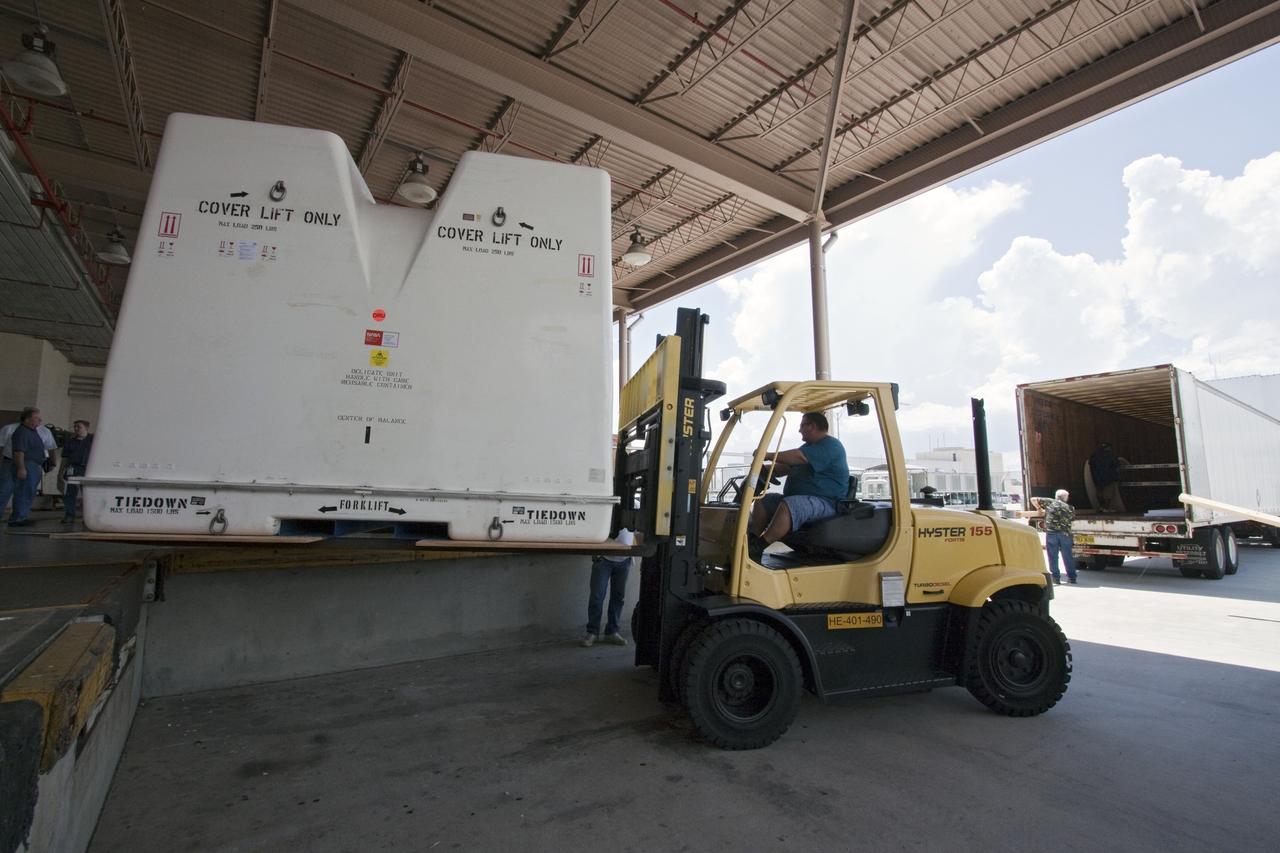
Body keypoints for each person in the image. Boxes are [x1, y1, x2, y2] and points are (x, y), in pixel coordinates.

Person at [748, 411, 849, 557]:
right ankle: (751, 539)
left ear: (812, 426)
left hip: (827, 503)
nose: (799, 429)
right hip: (806, 499)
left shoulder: (830, 445)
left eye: (802, 425)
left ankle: (759, 546)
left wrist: (767, 455)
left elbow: (799, 457)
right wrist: (764, 470)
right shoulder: (809, 448)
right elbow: (784, 468)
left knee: (791, 505)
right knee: (764, 500)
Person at [581, 527, 638, 647]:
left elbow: (638, 533)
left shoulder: (634, 510)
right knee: (597, 597)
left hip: (625, 559)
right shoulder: (610, 510)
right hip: (604, 559)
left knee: (618, 598)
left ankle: (612, 631)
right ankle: (592, 632)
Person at [1, 408, 51, 527]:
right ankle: (18, 518)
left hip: (33, 465)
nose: (40, 420)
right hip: (27, 464)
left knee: (27, 492)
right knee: (20, 491)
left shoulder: (33, 431)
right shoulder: (22, 432)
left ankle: (19, 517)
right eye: (36, 418)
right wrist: (21, 468)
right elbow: (19, 452)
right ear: (27, 419)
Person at [1032, 489, 1077, 584]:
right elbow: (1072, 518)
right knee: (1067, 556)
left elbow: (1033, 499)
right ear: (1066, 498)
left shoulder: (1050, 502)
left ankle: (1056, 578)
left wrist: (1039, 509)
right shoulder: (1070, 508)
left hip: (1052, 534)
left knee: (1052, 556)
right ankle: (1072, 577)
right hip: (1065, 534)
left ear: (1056, 496)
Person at [59, 419, 93, 524]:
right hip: (73, 468)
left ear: (86, 428)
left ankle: (87, 517)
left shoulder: (93, 440)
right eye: (75, 427)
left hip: (87, 468)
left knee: (88, 493)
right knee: (70, 493)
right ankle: (69, 515)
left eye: (79, 427)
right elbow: (65, 458)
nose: (76, 429)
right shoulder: (70, 442)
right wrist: (60, 472)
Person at [1088, 442, 1126, 512]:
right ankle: (1107, 508)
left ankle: (1101, 507)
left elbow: (1090, 465)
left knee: (1100, 492)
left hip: (1097, 478)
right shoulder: (1111, 455)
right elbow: (1117, 465)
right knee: (1108, 494)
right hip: (1109, 477)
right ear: (1109, 447)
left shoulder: (1094, 456)